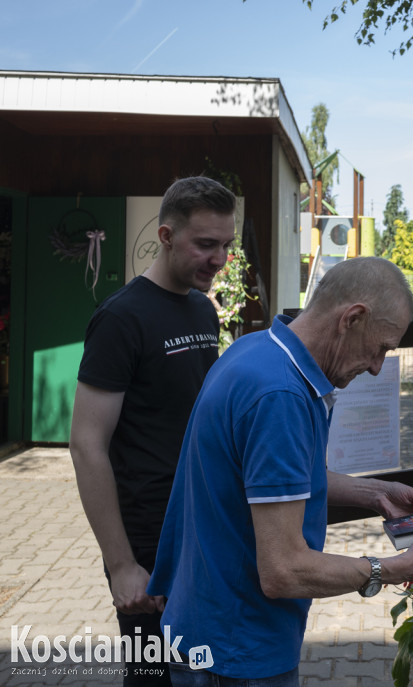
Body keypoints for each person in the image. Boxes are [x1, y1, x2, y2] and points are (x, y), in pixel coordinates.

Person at [147, 257, 413, 686]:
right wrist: (399, 568)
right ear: (352, 319)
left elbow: (277, 479)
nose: (375, 367)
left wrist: (376, 493)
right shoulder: (281, 396)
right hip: (236, 648)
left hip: (208, 625)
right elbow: (284, 571)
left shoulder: (260, 351)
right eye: (382, 348)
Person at [69, 176, 238, 686]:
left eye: (226, 245)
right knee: (151, 675)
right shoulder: (121, 318)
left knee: (199, 669)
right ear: (165, 236)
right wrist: (120, 564)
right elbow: (86, 444)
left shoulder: (201, 309)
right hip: (147, 540)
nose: (219, 258)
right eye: (205, 244)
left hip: (198, 522)